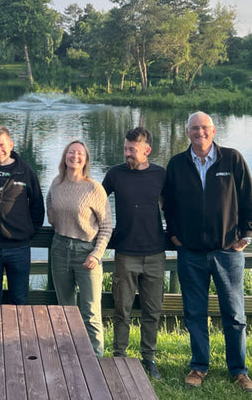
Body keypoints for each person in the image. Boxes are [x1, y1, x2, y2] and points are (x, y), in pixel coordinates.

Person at [162, 111, 252, 392]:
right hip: (191, 253)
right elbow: (169, 204)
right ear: (187, 132)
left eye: (204, 128)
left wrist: (246, 234)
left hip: (228, 251)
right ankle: (199, 366)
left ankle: (238, 370)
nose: (199, 132)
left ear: (213, 131)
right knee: (195, 312)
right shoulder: (177, 163)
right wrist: (173, 236)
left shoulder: (232, 159)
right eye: (194, 128)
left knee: (235, 314)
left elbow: (248, 196)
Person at [102, 127, 166, 379]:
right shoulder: (115, 174)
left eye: (132, 150)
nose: (127, 153)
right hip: (125, 252)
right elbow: (96, 200)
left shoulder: (160, 174)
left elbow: (171, 206)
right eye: (126, 148)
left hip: (155, 253)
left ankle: (148, 358)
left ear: (146, 150)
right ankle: (119, 356)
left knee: (152, 310)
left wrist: (176, 233)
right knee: (122, 310)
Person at [46, 140, 112, 358]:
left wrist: (97, 253)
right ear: (65, 156)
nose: (75, 156)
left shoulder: (94, 188)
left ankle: (95, 359)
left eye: (80, 153)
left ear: (86, 159)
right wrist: (55, 218)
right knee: (65, 309)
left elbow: (106, 226)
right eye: (71, 152)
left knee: (90, 311)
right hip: (59, 248)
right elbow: (50, 206)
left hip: (86, 252)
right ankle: (68, 355)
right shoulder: (56, 183)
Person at [0, 126, 44, 305]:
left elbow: (37, 206)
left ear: (11, 144)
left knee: (19, 300)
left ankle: (19, 334)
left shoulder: (25, 171)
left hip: (19, 248)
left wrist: (26, 232)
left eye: (2, 145)